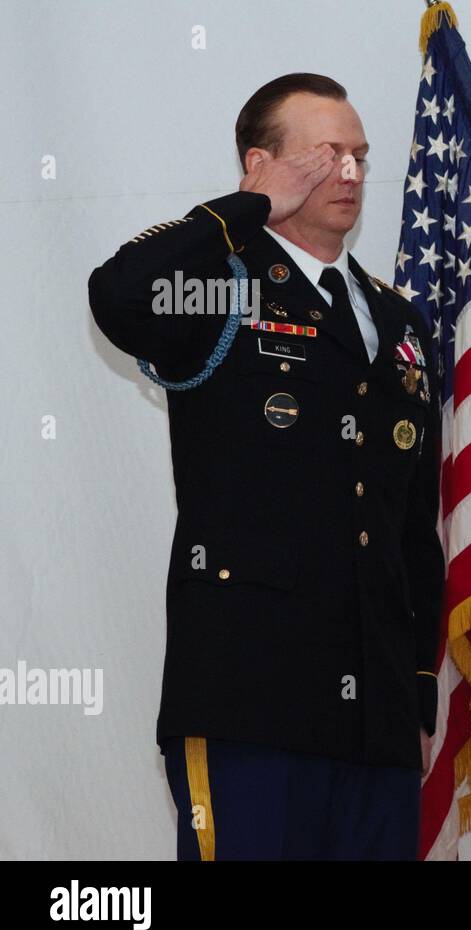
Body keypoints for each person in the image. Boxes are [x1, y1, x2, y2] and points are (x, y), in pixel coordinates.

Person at [88, 73, 443, 860]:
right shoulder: (223, 285)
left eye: (359, 156)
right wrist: (242, 209)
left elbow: (414, 525)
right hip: (251, 700)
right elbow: (119, 295)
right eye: (325, 156)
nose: (349, 173)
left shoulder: (397, 319)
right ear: (263, 164)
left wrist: (417, 688)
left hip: (376, 718)